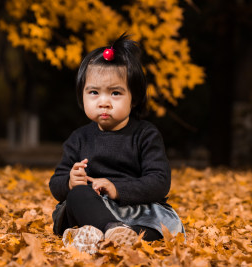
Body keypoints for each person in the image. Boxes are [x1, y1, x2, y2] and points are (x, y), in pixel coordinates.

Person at [49, 34, 185, 254]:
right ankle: (108, 230)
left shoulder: (145, 135)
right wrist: (70, 182)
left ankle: (101, 235)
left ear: (135, 97)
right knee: (77, 196)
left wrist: (117, 188)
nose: (104, 102)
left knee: (161, 227)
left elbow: (159, 181)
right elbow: (56, 183)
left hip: (137, 209)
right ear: (81, 95)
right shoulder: (79, 138)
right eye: (93, 92)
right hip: (92, 207)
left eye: (115, 93)